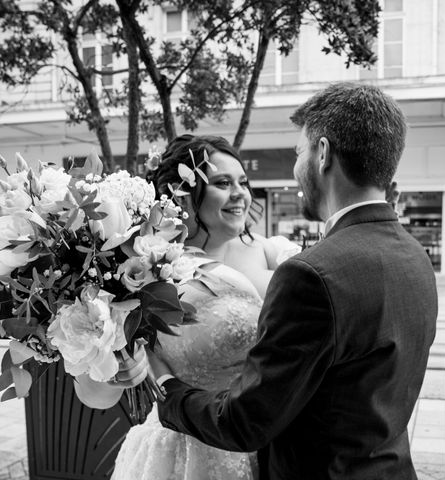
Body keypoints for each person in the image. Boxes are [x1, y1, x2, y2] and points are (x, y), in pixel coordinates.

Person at [151, 83, 438, 479]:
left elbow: (246, 422)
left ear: (322, 154)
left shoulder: (310, 275)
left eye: (299, 152)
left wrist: (165, 388)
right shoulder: (415, 257)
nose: (296, 166)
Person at [75, 134, 291, 480]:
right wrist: (116, 374)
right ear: (186, 195)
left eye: (243, 182)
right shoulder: (146, 270)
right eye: (222, 182)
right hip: (185, 449)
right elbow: (91, 393)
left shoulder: (271, 252)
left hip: (271, 443)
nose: (240, 193)